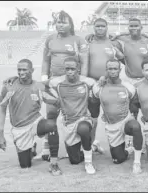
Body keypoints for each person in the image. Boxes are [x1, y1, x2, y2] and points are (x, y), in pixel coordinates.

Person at [40, 10, 90, 161]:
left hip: (73, 83)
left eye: (64, 22)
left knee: (75, 116)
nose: (60, 25)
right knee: (51, 114)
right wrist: (44, 77)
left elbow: (85, 61)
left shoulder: (78, 40)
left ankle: (77, 146)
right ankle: (47, 146)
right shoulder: (50, 39)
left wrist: (83, 79)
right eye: (58, 22)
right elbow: (46, 60)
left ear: (71, 24)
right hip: (54, 82)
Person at [0, 59, 62, 175]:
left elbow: (55, 101)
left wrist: (54, 89)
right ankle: (32, 148)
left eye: (24, 69)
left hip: (35, 122)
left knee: (51, 126)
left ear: (32, 70)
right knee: (25, 165)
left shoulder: (38, 87)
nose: (21, 72)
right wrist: (0, 136)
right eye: (19, 70)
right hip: (19, 129)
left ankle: (53, 164)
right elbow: (2, 110)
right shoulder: (9, 86)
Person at [44, 57, 98, 174]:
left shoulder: (88, 82)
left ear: (78, 69)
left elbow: (100, 87)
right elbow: (41, 86)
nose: (69, 71)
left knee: (83, 129)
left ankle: (88, 162)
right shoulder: (56, 82)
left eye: (72, 69)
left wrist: (103, 80)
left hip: (84, 118)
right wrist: (52, 100)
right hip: (68, 122)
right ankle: (87, 148)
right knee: (74, 160)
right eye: (67, 69)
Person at [92, 59, 144, 174]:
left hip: (125, 121)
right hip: (111, 126)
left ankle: (137, 162)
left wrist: (133, 117)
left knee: (135, 126)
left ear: (120, 70)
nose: (113, 71)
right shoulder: (98, 87)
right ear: (106, 70)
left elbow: (135, 104)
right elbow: (93, 103)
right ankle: (126, 150)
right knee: (117, 159)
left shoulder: (128, 87)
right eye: (110, 69)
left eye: (115, 68)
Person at [85, 18, 124, 154]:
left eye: (102, 26)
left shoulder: (113, 43)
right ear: (93, 27)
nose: (100, 28)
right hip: (93, 85)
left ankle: (117, 144)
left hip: (109, 85)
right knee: (93, 117)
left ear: (107, 27)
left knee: (113, 115)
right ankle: (91, 144)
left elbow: (122, 59)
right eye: (97, 26)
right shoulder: (88, 42)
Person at [113, 18, 148, 85]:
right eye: (131, 26)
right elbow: (108, 39)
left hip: (145, 79)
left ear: (141, 27)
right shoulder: (122, 39)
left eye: (136, 26)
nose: (133, 28)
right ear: (128, 28)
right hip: (128, 79)